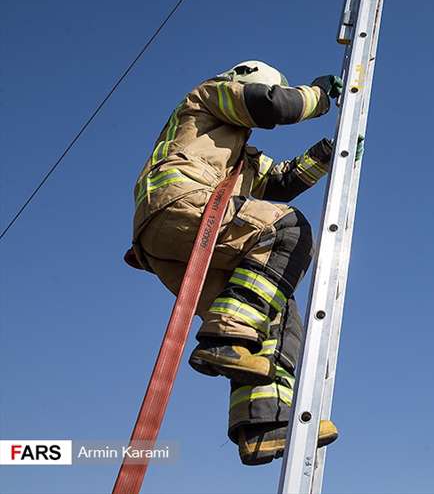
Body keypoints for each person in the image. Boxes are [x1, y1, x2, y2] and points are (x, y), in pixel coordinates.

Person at [125, 60, 343, 465]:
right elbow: (272, 105)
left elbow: (282, 182)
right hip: (179, 204)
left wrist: (330, 153)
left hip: (178, 245)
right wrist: (320, 96)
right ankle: (224, 336)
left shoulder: (242, 157)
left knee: (275, 311)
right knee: (289, 230)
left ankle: (264, 425)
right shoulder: (208, 96)